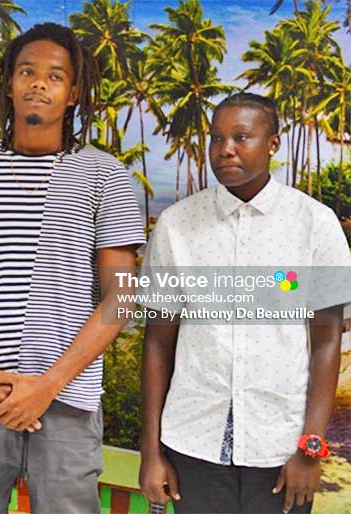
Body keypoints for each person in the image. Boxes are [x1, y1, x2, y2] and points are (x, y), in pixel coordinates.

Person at [0, 23, 145, 513]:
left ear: (73, 94)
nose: (39, 83)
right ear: (9, 83)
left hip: (67, 398)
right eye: (27, 71)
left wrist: (47, 385)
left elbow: (121, 296)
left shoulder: (104, 174)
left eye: (55, 75)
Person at [139, 93, 351, 514]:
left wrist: (310, 449)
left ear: (272, 144)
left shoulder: (314, 224)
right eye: (216, 138)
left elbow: (327, 342)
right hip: (191, 442)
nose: (225, 149)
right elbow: (158, 342)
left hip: (279, 447)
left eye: (241, 137)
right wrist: (150, 451)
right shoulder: (176, 225)